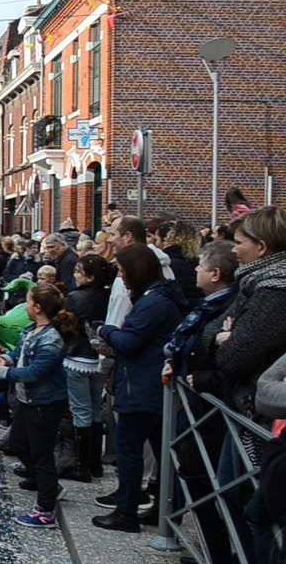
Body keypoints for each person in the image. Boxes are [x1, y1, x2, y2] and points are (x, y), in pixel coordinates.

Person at [199, 205, 286, 560]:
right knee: (230, 494)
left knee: (250, 505)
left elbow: (235, 358)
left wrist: (224, 342)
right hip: (242, 410)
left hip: (257, 415)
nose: (233, 249)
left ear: (261, 247)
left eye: (239, 242)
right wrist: (219, 337)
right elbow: (210, 331)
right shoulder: (253, 284)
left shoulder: (273, 293)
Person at [92, 243, 186, 533]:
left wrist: (106, 330)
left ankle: (126, 512)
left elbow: (129, 342)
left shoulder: (152, 302)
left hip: (141, 387)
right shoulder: (160, 297)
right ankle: (164, 509)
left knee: (130, 450)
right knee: (162, 452)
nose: (120, 277)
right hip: (150, 385)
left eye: (122, 271)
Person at [165, 240, 240, 564]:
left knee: (210, 481)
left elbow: (233, 359)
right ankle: (214, 551)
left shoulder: (227, 306)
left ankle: (220, 554)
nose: (194, 269)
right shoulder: (211, 306)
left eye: (200, 265)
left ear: (216, 273)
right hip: (198, 405)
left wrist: (200, 374)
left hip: (210, 409)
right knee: (199, 475)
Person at [0, 282, 77, 528]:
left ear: (37, 307)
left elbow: (36, 371)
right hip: (28, 400)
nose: (24, 306)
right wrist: (3, 357)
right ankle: (49, 485)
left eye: (27, 302)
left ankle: (45, 510)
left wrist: (4, 372)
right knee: (18, 443)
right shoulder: (33, 329)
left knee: (41, 455)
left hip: (45, 404)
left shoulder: (50, 339)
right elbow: (18, 351)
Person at [63, 254, 114, 482]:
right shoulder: (109, 295)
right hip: (98, 358)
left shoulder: (74, 297)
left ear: (90, 276)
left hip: (77, 357)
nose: (74, 275)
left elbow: (66, 327)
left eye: (78, 272)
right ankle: (95, 463)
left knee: (80, 410)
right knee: (95, 410)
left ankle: (82, 466)